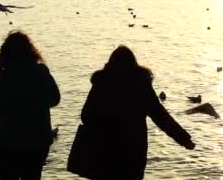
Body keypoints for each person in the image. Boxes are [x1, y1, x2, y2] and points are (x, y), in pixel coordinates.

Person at [80, 45, 195, 179]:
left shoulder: (101, 83)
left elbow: (86, 116)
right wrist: (183, 139)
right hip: (134, 148)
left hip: (104, 148)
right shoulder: (141, 84)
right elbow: (160, 116)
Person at [0, 30, 61, 180]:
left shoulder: (4, 75)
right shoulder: (41, 71)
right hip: (38, 139)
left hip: (10, 141)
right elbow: (55, 98)